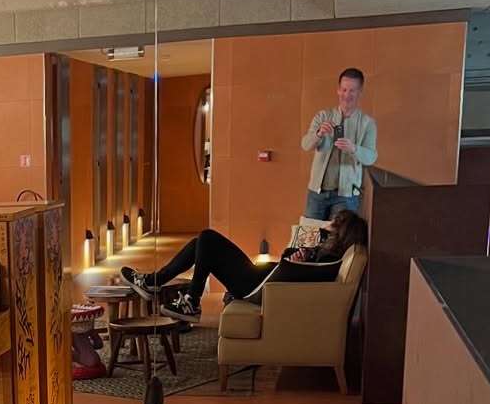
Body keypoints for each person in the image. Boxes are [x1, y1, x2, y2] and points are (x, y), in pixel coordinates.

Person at [120, 207, 368, 320]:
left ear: (341, 231)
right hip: (257, 278)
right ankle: (154, 282)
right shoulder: (326, 252)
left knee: (207, 237)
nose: (327, 225)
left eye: (332, 224)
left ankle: (190, 301)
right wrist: (296, 257)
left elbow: (299, 275)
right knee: (200, 243)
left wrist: (296, 263)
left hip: (255, 287)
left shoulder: (328, 260)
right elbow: (288, 255)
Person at [301, 67, 377, 221]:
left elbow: (371, 157)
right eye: (344, 89)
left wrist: (354, 148)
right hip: (317, 191)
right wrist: (318, 134)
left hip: (346, 194)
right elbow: (305, 145)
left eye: (352, 91)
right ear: (338, 90)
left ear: (360, 92)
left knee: (341, 235)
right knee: (311, 234)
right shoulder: (323, 116)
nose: (347, 95)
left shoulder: (367, 123)